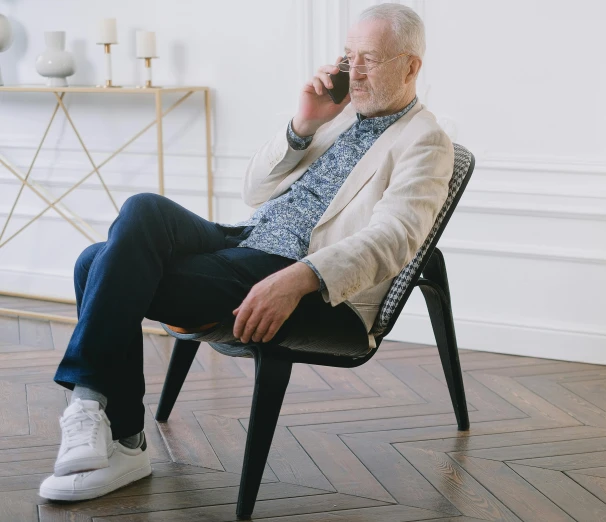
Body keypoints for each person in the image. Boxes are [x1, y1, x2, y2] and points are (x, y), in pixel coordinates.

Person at [38, 3, 453, 501]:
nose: (354, 71)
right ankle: (93, 407)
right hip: (243, 240)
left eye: (370, 59)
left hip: (288, 269)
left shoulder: (425, 141)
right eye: (348, 56)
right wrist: (304, 123)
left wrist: (300, 276)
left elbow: (395, 238)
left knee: (93, 263)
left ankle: (121, 435)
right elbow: (254, 190)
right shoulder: (339, 117)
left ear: (411, 66)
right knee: (143, 207)